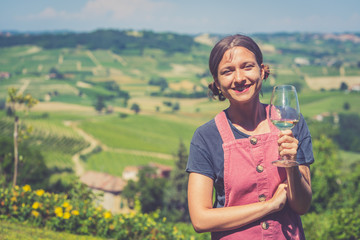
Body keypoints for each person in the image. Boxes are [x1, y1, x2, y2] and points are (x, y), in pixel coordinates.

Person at [186, 34, 314, 240]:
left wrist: (292, 165)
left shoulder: (291, 122)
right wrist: (270, 206)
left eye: (247, 66)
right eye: (227, 71)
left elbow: (302, 205)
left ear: (262, 71)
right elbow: (200, 219)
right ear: (217, 83)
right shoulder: (205, 137)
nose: (239, 78)